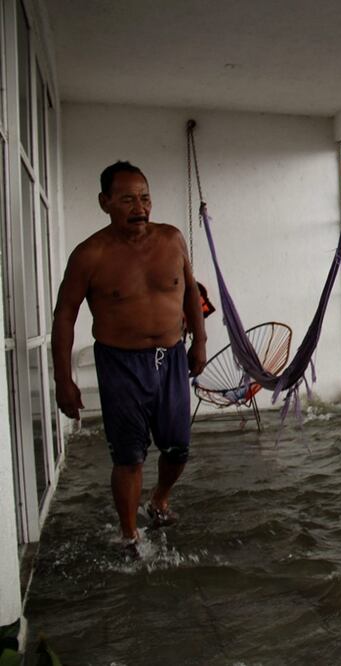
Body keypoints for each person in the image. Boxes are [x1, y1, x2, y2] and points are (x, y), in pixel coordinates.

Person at [52, 161, 207, 555]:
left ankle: (159, 500)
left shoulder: (172, 239)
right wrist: (63, 380)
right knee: (129, 455)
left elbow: (191, 290)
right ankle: (129, 535)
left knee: (178, 448)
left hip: (171, 357)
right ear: (104, 202)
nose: (140, 208)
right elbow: (64, 315)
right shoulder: (90, 255)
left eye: (145, 198)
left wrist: (199, 342)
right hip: (120, 364)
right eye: (127, 200)